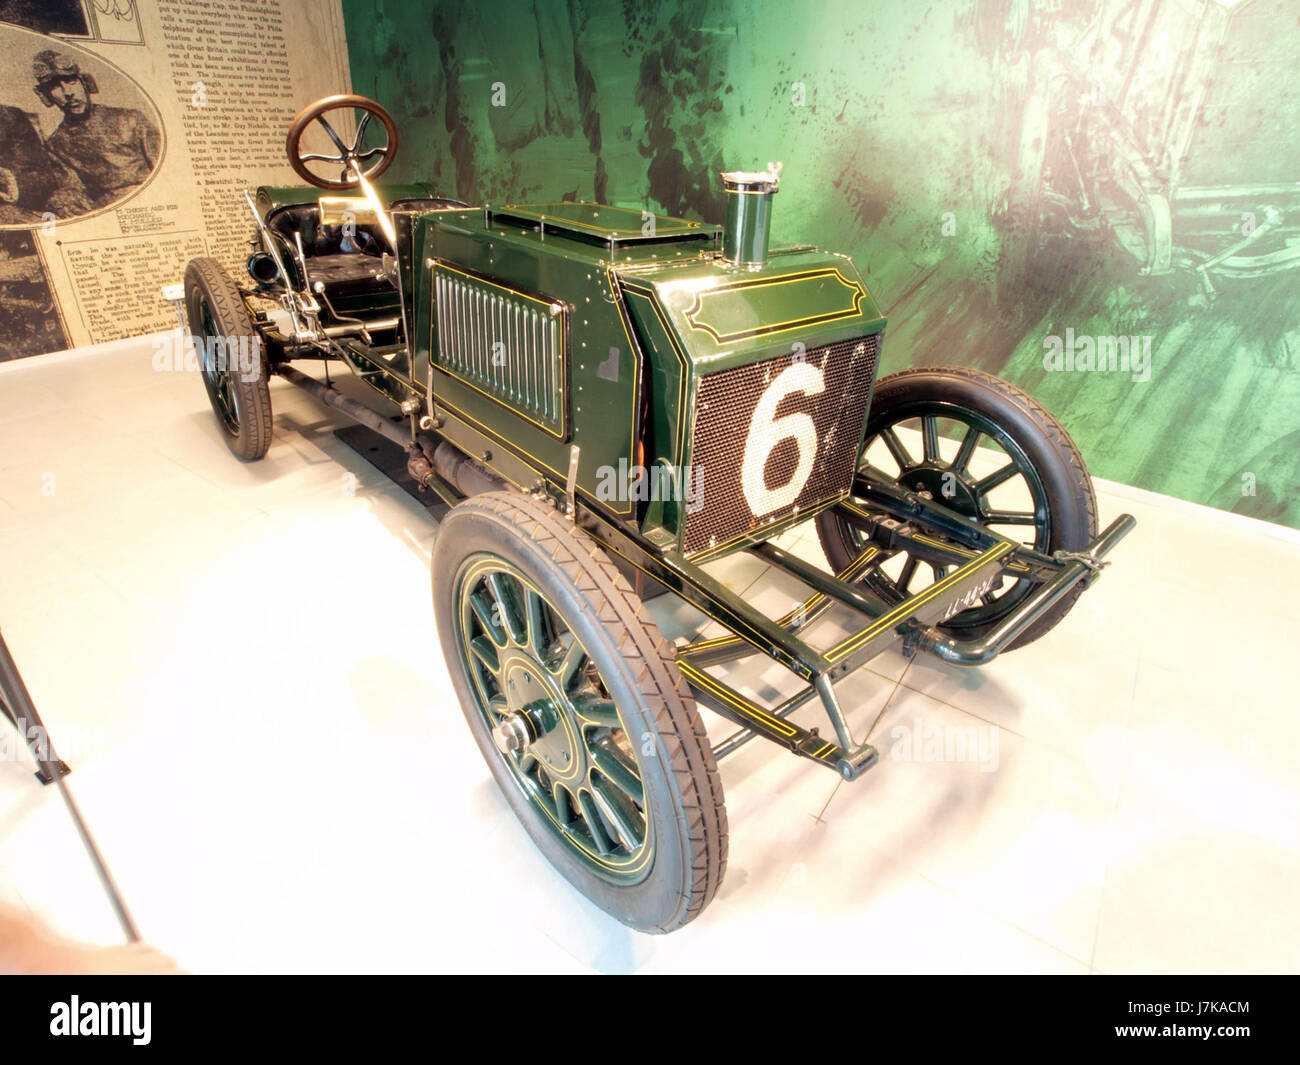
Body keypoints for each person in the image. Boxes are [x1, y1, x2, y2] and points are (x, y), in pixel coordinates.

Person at [32, 49, 160, 211]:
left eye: (71, 82)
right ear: (45, 96)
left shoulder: (130, 119)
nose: (68, 93)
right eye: (54, 87)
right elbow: (74, 190)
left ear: (86, 83)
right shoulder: (56, 145)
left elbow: (166, 172)